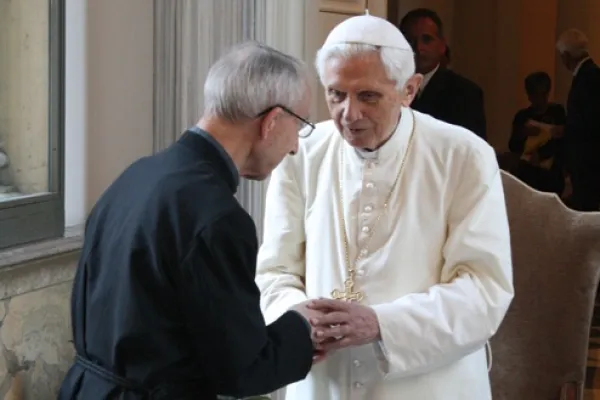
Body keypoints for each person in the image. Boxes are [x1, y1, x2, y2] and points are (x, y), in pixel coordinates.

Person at [256, 15, 513, 400]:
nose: (349, 114)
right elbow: (275, 270)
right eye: (336, 94)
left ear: (409, 89)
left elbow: (484, 287)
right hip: (326, 380)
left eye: (368, 96)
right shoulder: (301, 153)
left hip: (429, 384)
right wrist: (302, 320)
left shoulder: (463, 155)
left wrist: (381, 324)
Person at [58, 42, 322, 400]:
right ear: (272, 122)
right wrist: (303, 325)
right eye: (300, 126)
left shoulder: (136, 175)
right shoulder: (217, 217)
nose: (294, 147)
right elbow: (243, 371)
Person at [399, 8, 487, 140]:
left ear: (442, 45)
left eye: (427, 40)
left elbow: (471, 151)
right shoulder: (389, 87)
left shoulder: (465, 93)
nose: (418, 47)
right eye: (410, 40)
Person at [556, 29, 600, 211]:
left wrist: (563, 130)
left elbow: (587, 122)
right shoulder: (592, 74)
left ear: (566, 56)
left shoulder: (587, 78)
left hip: (587, 163)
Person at [508, 71, 566, 195]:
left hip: (552, 177)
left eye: (544, 94)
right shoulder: (522, 117)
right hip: (527, 175)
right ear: (529, 96)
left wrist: (542, 154)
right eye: (536, 95)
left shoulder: (557, 113)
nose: (541, 99)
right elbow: (513, 145)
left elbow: (563, 143)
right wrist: (523, 133)